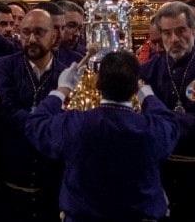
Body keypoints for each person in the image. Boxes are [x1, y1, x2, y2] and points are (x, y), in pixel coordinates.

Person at [26, 51, 180, 222]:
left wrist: (63, 89)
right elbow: (171, 124)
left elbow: (35, 124)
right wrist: (148, 96)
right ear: (135, 87)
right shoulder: (151, 129)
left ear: (97, 82)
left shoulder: (75, 124)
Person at [140, 0, 195, 222]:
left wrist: (163, 122)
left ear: (194, 30)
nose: (174, 40)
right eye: (167, 33)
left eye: (181, 31)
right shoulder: (149, 70)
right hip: (163, 172)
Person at [0, 8, 67, 221]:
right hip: (9, 190)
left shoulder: (66, 75)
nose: (31, 39)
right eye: (26, 32)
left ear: (54, 35)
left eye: (39, 32)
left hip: (52, 193)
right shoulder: (2, 68)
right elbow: (7, 112)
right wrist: (45, 123)